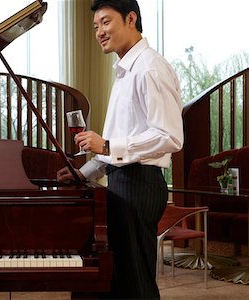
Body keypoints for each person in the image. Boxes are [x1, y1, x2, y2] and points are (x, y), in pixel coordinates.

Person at [57, 0, 183, 298]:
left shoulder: (150, 68)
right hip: (122, 182)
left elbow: (170, 137)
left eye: (106, 22)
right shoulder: (126, 69)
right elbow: (118, 141)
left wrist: (108, 145)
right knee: (115, 281)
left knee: (134, 283)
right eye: (95, 26)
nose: (99, 31)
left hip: (139, 185)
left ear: (130, 18)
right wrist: (84, 172)